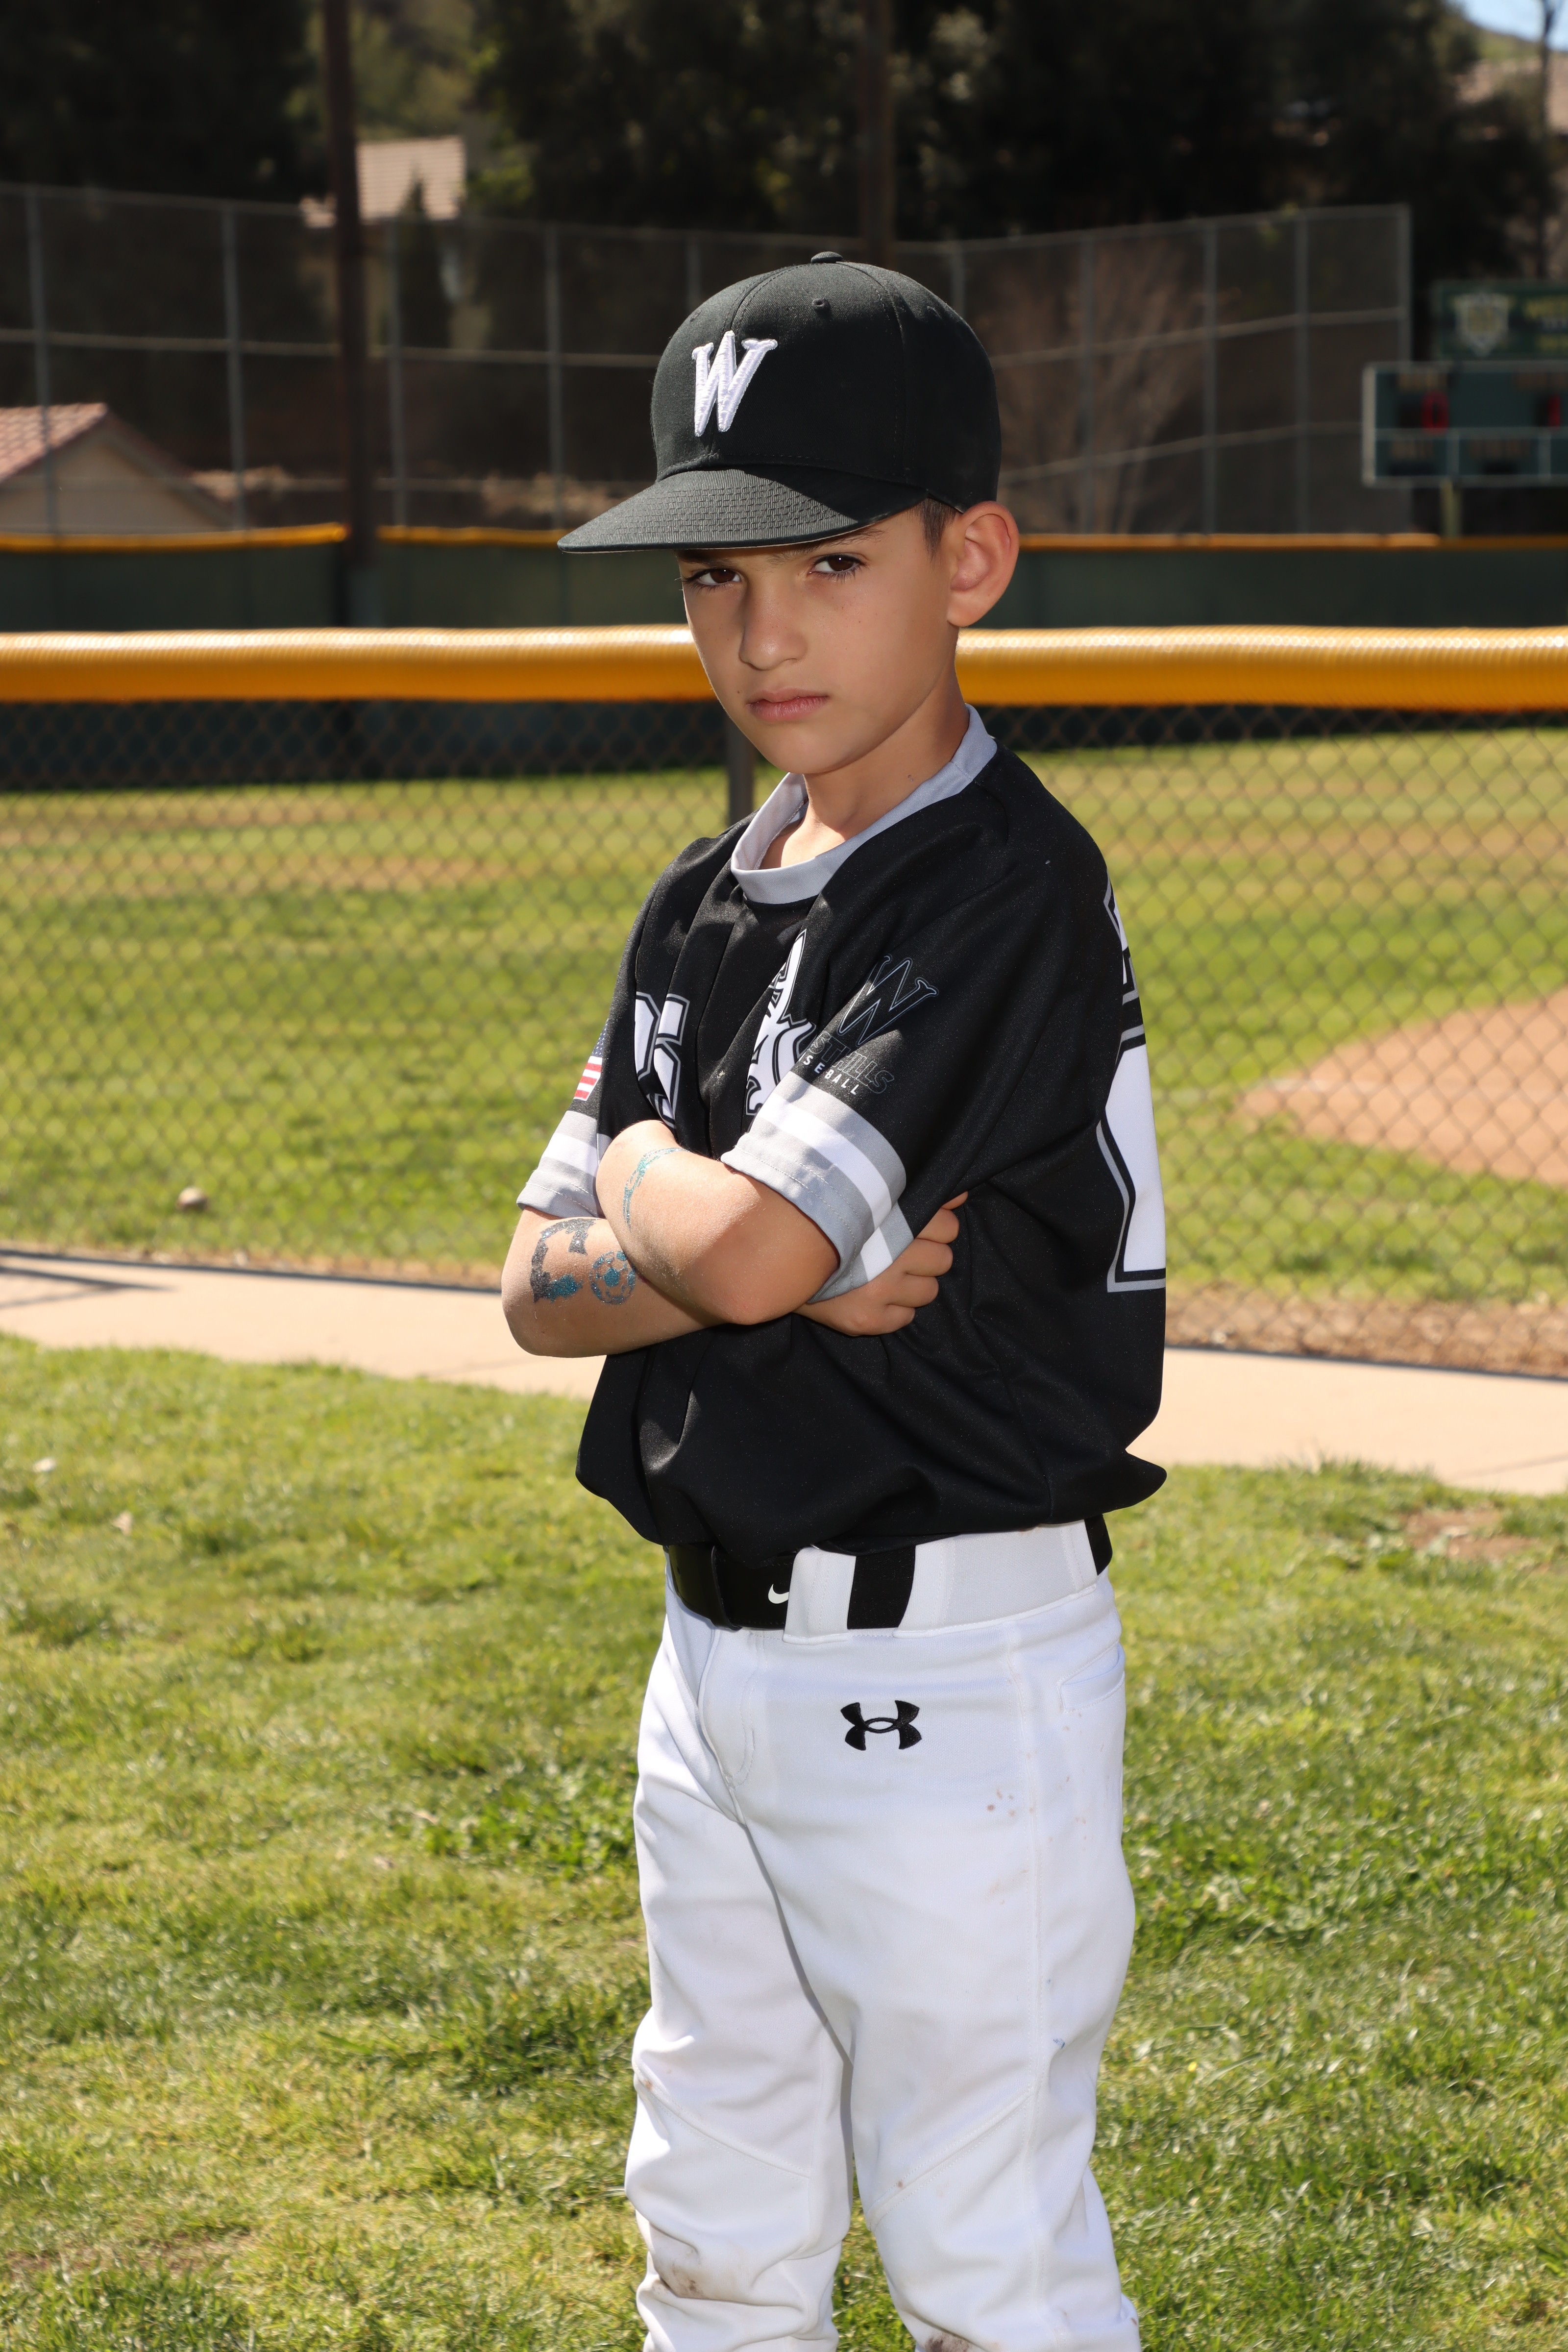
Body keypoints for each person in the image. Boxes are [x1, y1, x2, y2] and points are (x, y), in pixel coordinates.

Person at [503, 252, 1166, 2352]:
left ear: (970, 561)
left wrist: (658, 1192)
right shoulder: (697, 906)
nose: (759, 630)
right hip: (712, 1664)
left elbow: (748, 1257)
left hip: (946, 1673)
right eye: (712, 576)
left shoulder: (1001, 886)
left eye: (825, 562)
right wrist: (679, 1210)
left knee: (984, 2255)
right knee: (712, 2214)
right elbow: (536, 1289)